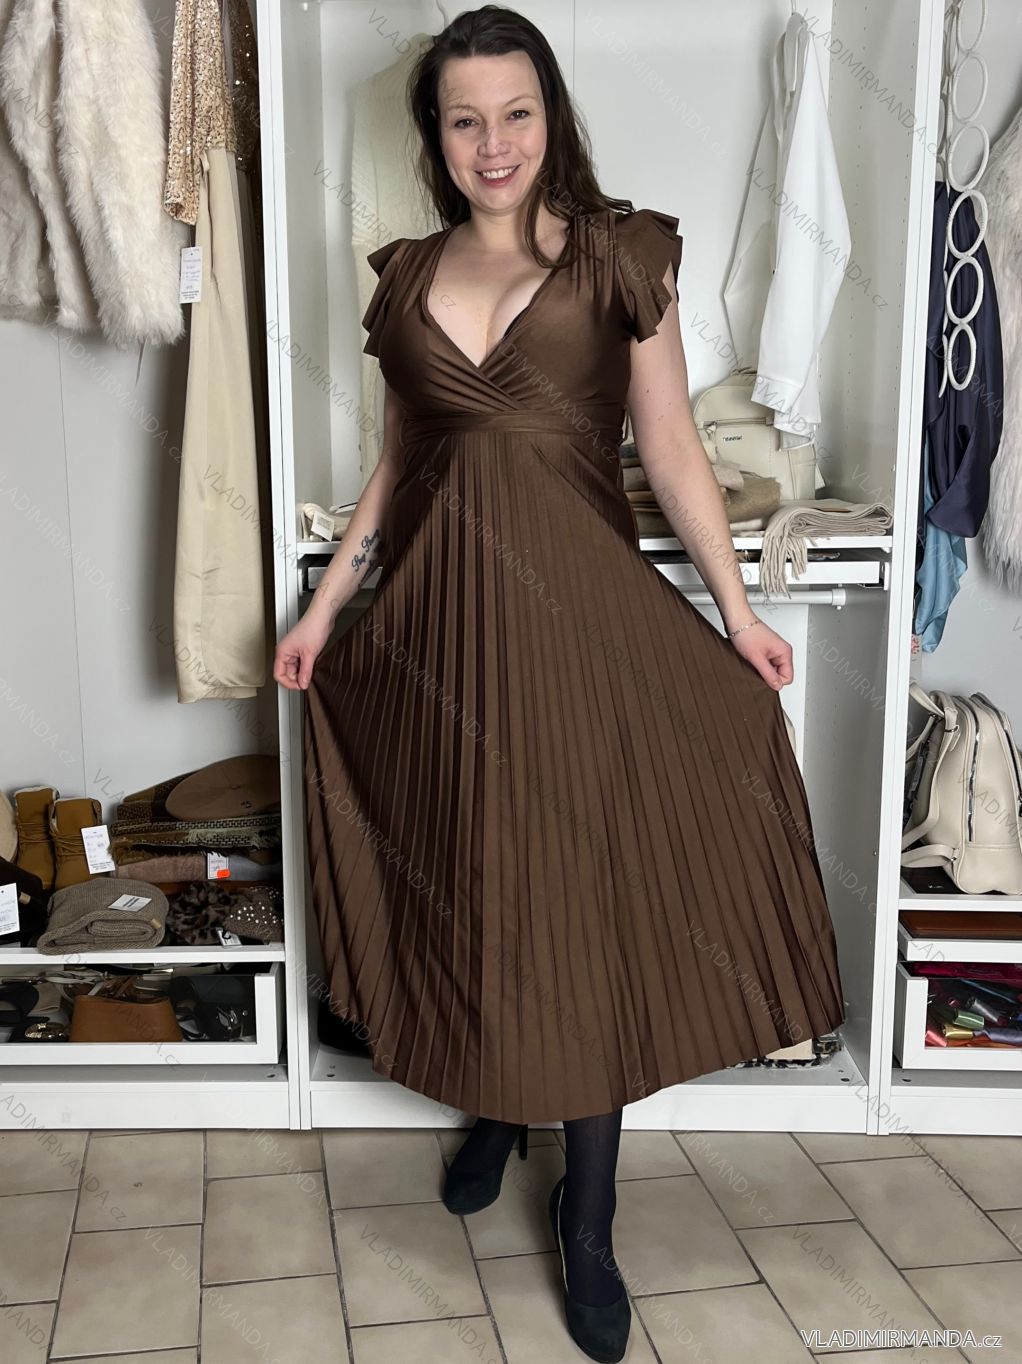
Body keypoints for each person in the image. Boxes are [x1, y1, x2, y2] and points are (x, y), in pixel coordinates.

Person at [274, 7, 845, 1360]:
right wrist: (328, 606)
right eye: (465, 118)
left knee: (576, 906)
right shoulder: (406, 277)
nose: (494, 143)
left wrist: (739, 616)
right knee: (469, 877)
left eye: (516, 113)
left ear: (552, 118)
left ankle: (587, 1221)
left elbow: (674, 446)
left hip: (579, 634)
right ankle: (493, 1105)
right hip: (437, 637)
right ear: (435, 135)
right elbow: (400, 460)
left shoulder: (619, 256)